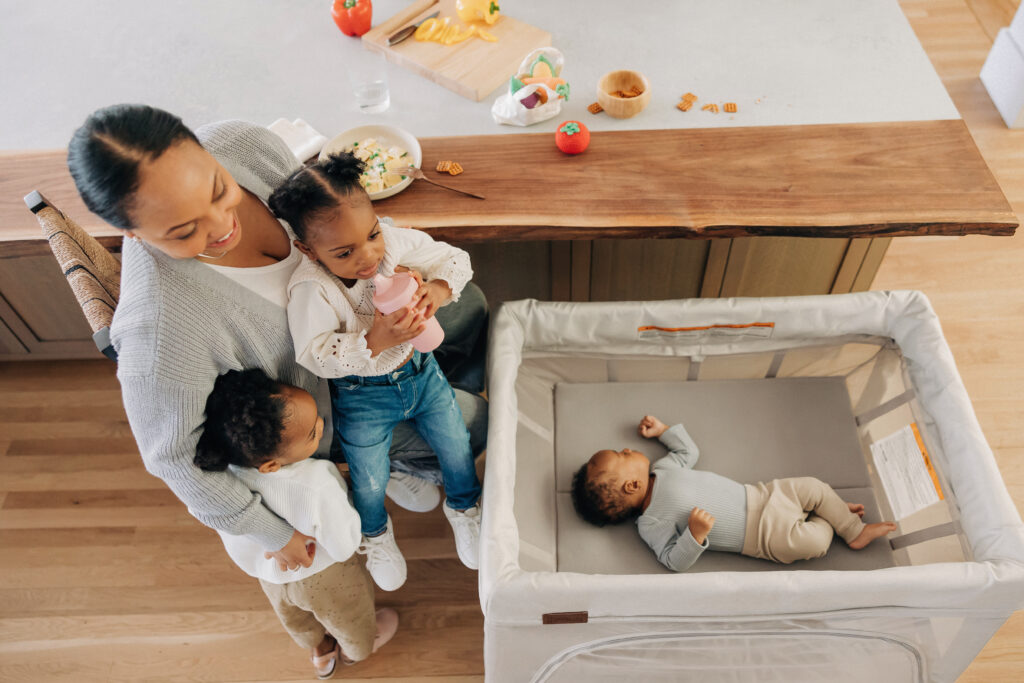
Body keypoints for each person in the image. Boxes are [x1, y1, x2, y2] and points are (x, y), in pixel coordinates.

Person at [66, 104, 488, 574]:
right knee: (475, 424)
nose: (223, 225)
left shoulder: (241, 144)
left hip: (376, 328)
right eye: (186, 231)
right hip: (327, 403)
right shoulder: (160, 330)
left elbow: (331, 215)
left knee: (469, 306)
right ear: (130, 232)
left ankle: (403, 456)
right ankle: (395, 459)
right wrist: (274, 533)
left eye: (219, 189)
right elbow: (175, 461)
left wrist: (395, 263)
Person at [267, 153, 482, 592]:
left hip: (422, 374)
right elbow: (315, 353)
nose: (368, 258)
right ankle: (377, 534)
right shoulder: (312, 288)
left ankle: (463, 507)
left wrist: (436, 291)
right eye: (345, 252)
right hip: (363, 395)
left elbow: (454, 259)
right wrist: (376, 339)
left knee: (456, 444)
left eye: (371, 235)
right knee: (367, 478)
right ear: (308, 250)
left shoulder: (392, 244)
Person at [195, 368, 398, 678]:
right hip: (326, 576)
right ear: (272, 465)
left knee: (295, 619)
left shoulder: (220, 483)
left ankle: (319, 651)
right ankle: (357, 650)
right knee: (349, 616)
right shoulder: (315, 482)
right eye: (312, 434)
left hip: (270, 575)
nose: (321, 426)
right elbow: (343, 546)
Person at [571, 414, 897, 571]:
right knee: (813, 541)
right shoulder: (650, 523)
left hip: (764, 496)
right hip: (761, 536)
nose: (627, 448)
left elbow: (689, 453)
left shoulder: (663, 469)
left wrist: (664, 432)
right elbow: (672, 560)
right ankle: (832, 520)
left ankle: (853, 530)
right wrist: (694, 536)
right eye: (622, 455)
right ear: (632, 486)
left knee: (813, 486)